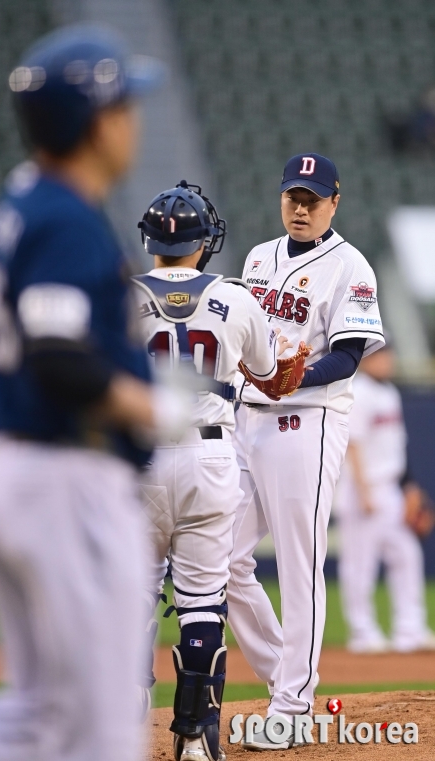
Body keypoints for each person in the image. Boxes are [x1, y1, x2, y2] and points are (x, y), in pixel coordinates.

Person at [0, 24, 189, 761]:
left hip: (17, 469)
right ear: (97, 123)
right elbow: (58, 353)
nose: (133, 119)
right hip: (65, 477)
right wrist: (153, 407)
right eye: (124, 105)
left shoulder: (24, 204)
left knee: (39, 715)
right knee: (93, 729)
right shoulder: (65, 217)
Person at [132, 181, 301, 761]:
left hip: (142, 459)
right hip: (210, 457)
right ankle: (197, 735)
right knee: (204, 600)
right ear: (204, 242)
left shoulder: (120, 296)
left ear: (150, 240)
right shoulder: (235, 297)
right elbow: (273, 377)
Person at [226, 153, 385, 750]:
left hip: (307, 423)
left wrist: (293, 378)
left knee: (298, 564)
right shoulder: (258, 258)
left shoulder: (351, 267)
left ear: (334, 203)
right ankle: (282, 676)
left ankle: (292, 707)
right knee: (221, 559)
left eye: (313, 198)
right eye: (294, 194)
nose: (301, 206)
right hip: (247, 419)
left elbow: (349, 354)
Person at [334, 343, 435, 653]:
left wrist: (410, 488)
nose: (387, 359)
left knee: (407, 555)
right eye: (380, 354)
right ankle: (363, 633)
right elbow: (353, 446)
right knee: (360, 565)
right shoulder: (358, 391)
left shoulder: (389, 392)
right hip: (361, 489)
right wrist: (364, 492)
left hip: (390, 487)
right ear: (366, 360)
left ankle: (411, 628)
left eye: (389, 353)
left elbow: (397, 448)